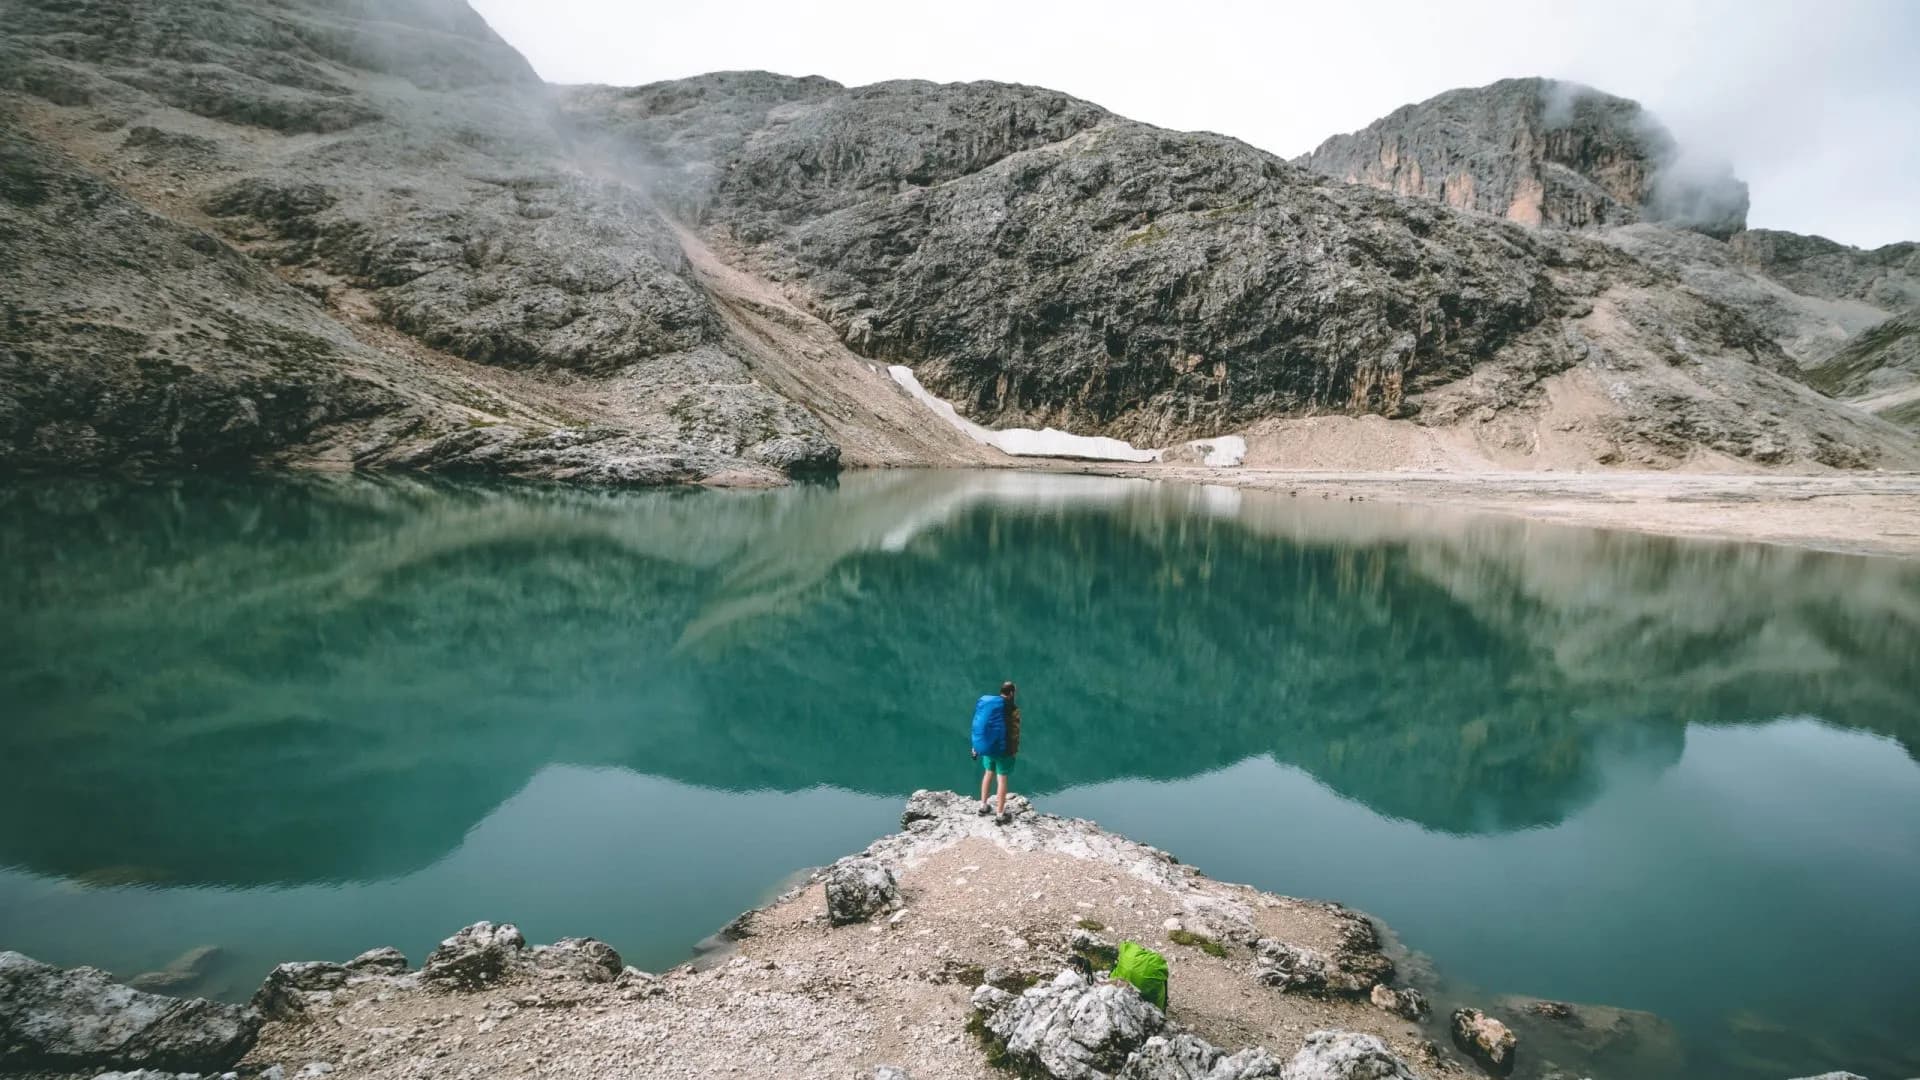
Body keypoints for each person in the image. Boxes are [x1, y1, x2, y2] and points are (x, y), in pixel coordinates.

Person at [970, 680, 1020, 823]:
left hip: (987, 747)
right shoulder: (1011, 709)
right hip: (1003, 750)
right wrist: (1014, 750)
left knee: (987, 774)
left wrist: (976, 746)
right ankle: (1000, 814)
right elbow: (1014, 732)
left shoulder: (989, 705)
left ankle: (983, 806)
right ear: (1011, 693)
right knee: (1002, 780)